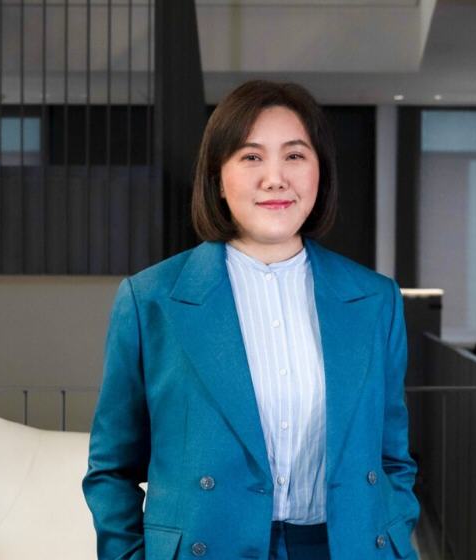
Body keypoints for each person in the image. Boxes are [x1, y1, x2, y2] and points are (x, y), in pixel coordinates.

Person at [82, 80, 419, 560]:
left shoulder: (375, 300)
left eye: (295, 155)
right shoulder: (150, 300)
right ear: (218, 178)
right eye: (251, 156)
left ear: (320, 171)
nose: (275, 178)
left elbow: (393, 458)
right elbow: (111, 470)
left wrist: (395, 540)